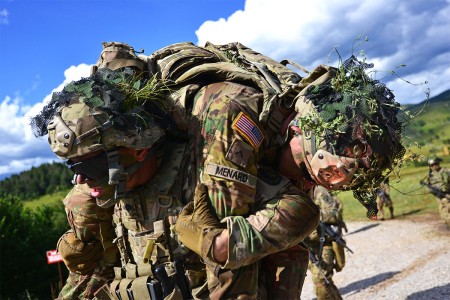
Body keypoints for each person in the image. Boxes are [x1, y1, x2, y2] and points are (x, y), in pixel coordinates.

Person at [32, 41, 406, 300]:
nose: (333, 183)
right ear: (302, 132)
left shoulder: (281, 170)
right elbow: (220, 242)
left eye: (345, 180)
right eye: (335, 173)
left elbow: (225, 251)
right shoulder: (230, 116)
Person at [303, 186, 347, 300]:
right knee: (325, 281)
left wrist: (307, 214)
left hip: (323, 244)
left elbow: (334, 215)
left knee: (321, 281)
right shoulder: (290, 189)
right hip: (306, 245)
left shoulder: (319, 191)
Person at [420, 157, 450, 226]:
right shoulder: (430, 175)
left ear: (438, 163)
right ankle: (446, 222)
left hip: (447, 193)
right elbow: (427, 186)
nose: (434, 166)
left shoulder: (446, 171)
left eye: (435, 164)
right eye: (432, 165)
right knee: (443, 210)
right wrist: (433, 190)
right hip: (438, 195)